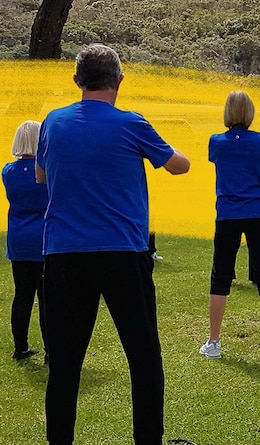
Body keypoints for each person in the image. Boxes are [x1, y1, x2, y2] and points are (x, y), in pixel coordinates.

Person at [36, 44, 190, 445]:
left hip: (64, 254)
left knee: (66, 363)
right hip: (123, 252)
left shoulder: (52, 123)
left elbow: (41, 176)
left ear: (77, 81)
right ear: (119, 80)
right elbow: (179, 165)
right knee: (143, 357)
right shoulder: (131, 124)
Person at [199, 90, 260, 360]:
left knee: (220, 276)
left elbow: (216, 159)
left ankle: (214, 342)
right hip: (258, 213)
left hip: (227, 213)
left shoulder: (216, 142)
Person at [3, 120, 48, 362]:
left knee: (22, 295)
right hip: (42, 239)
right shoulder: (46, 171)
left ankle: (20, 347)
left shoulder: (8, 172)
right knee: (46, 298)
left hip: (18, 239)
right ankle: (52, 349)